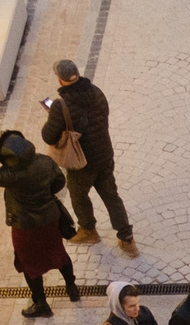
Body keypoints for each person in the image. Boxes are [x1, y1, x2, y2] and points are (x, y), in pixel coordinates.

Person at [0, 131, 80, 318]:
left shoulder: (11, 175)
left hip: (25, 227)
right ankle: (72, 288)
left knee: (29, 263)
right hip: (50, 219)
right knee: (58, 252)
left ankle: (41, 303)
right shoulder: (44, 161)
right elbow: (59, 182)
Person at [42, 58, 134, 254]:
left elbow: (48, 136)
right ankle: (126, 238)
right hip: (104, 154)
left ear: (60, 80)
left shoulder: (61, 106)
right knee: (111, 195)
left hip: (81, 162)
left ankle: (88, 230)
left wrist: (54, 116)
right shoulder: (96, 91)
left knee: (78, 195)